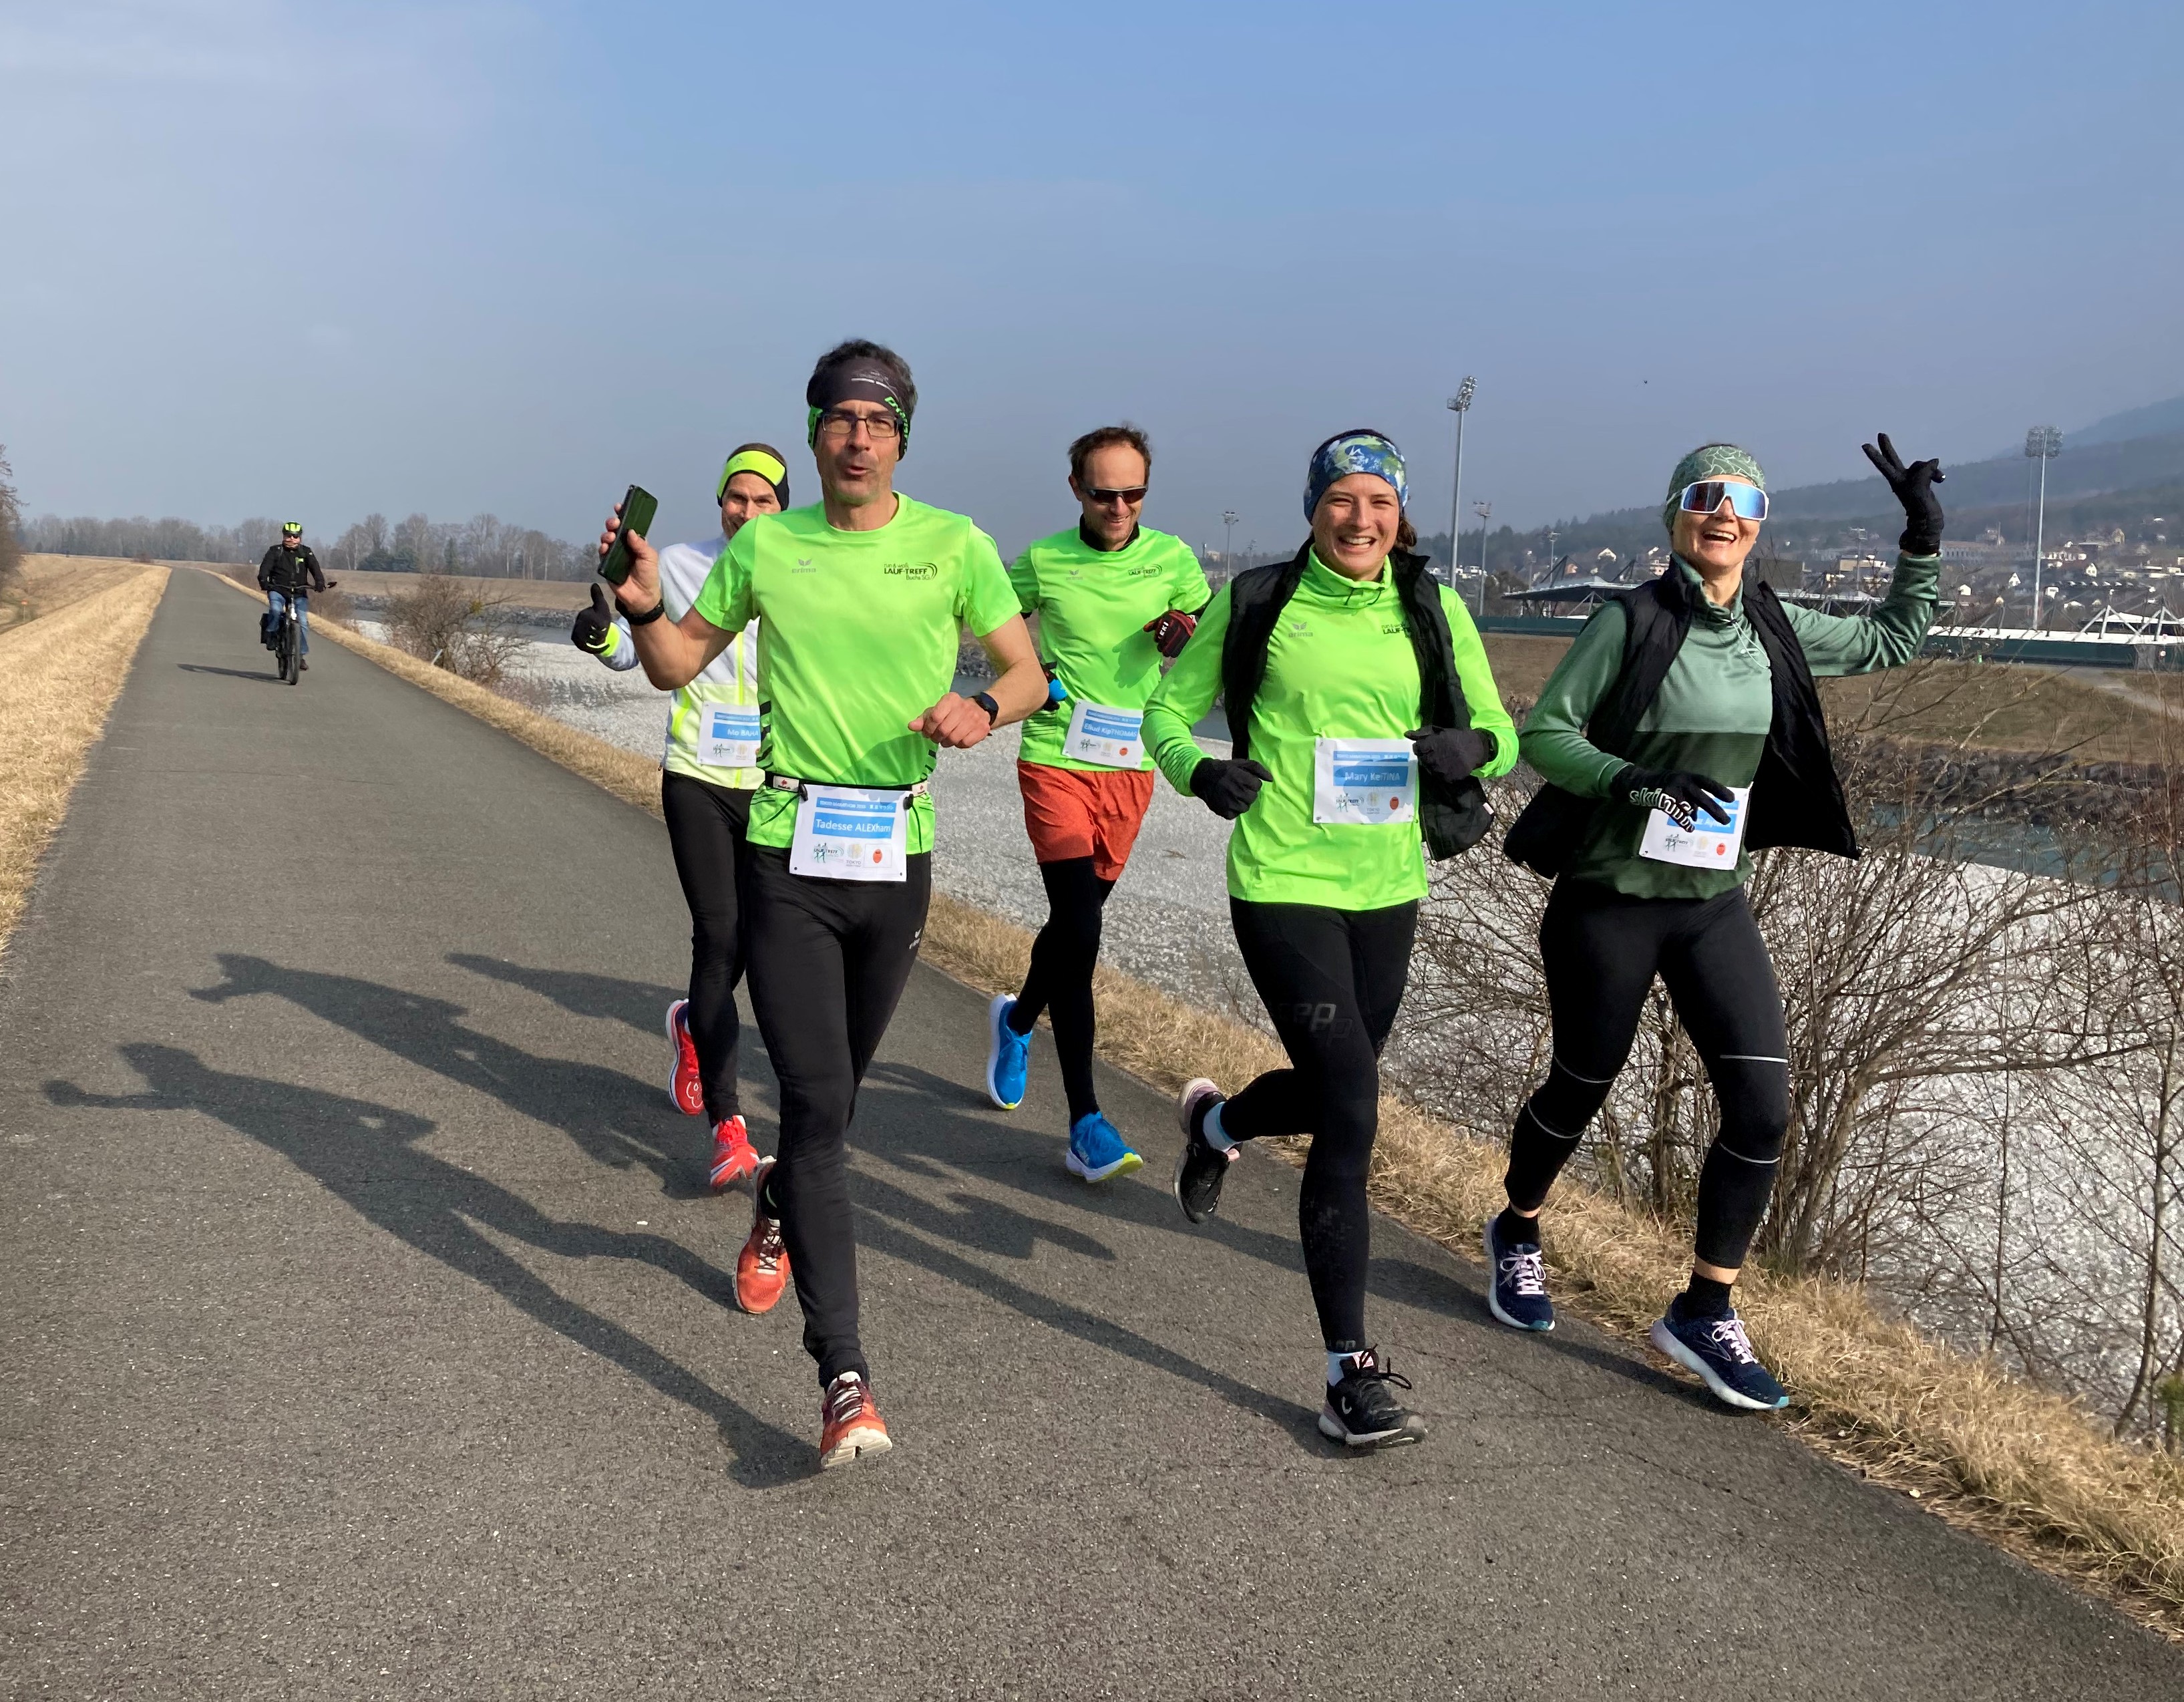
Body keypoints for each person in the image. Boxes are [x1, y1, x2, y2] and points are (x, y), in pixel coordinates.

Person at [598, 340, 1045, 1470]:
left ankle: (779, 1210)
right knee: (811, 1093)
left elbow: (1029, 670)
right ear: (814, 432)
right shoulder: (771, 545)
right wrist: (648, 604)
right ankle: (845, 1375)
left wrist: (983, 707)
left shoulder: (955, 545)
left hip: (897, 856)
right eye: (840, 418)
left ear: (903, 434)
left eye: (879, 418)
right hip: (785, 848)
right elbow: (674, 665)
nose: (858, 436)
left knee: (832, 1107)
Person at [1491, 436, 1943, 1411]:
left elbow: (1888, 643)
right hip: (1608, 901)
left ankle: (1704, 1308)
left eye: (1742, 502)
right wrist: (1632, 777)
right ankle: (1518, 1229)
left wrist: (1920, 542)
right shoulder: (1630, 622)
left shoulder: (1771, 627)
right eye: (1704, 499)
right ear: (1675, 516)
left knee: (1764, 1109)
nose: (1723, 514)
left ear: (1759, 524)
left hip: (1709, 906)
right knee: (1578, 1086)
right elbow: (1543, 735)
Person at [1142, 430, 1517, 1450]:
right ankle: (1347, 1372)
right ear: (1314, 508)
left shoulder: (1429, 607)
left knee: (1326, 1089)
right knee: (1352, 1107)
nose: (1361, 521)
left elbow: (1500, 726)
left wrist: (1469, 745)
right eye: (1343, 502)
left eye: (1379, 505)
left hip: (1386, 882)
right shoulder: (1260, 600)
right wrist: (1200, 772)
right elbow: (1165, 717)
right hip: (1279, 880)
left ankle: (1217, 1127)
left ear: (1400, 517)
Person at [983, 425, 1212, 1182]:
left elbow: (1206, 633)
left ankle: (1016, 1021)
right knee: (1080, 928)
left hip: (1130, 763)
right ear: (1076, 488)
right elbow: (990, 617)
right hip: (1055, 756)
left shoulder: (1173, 558)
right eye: (1104, 492)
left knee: (1077, 924)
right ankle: (1086, 1120)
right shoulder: (1045, 558)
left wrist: (1185, 630)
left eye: (1133, 493)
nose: (1119, 507)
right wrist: (1034, 671)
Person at [572, 444, 790, 1192]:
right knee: (719, 933)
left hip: (775, 784)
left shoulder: (807, 569)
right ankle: (729, 1126)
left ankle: (692, 1026)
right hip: (697, 773)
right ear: (720, 500)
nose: (748, 512)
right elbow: (642, 658)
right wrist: (605, 636)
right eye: (737, 498)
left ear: (785, 508)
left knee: (756, 946)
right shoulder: (677, 565)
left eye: (764, 501)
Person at [258, 522, 327, 666]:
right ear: (283, 536)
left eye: (295, 536)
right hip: (278, 589)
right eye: (288, 535)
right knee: (276, 610)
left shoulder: (306, 552)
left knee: (302, 621)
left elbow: (316, 569)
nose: (292, 539)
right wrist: (264, 581)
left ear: (300, 538)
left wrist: (320, 583)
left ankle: (300, 656)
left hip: (299, 592)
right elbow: (265, 569)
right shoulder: (275, 551)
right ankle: (272, 634)